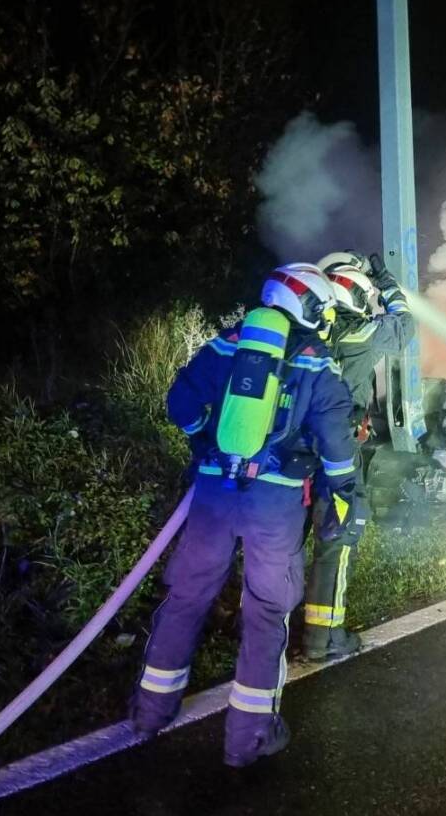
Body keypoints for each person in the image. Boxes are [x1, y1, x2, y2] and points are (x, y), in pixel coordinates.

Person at [129, 262, 363, 767]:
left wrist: (204, 442)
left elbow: (180, 403)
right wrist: (347, 495)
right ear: (310, 306)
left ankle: (150, 712)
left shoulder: (226, 343)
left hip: (213, 494)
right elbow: (338, 450)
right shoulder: (316, 361)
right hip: (274, 505)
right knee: (265, 612)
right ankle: (248, 739)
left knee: (186, 597)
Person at [299, 251, 416, 662]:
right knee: (336, 541)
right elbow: (405, 325)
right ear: (355, 294)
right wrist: (387, 284)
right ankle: (324, 639)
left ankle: (269, 631)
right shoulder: (361, 334)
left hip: (294, 454)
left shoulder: (307, 337)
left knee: (286, 544)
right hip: (338, 454)